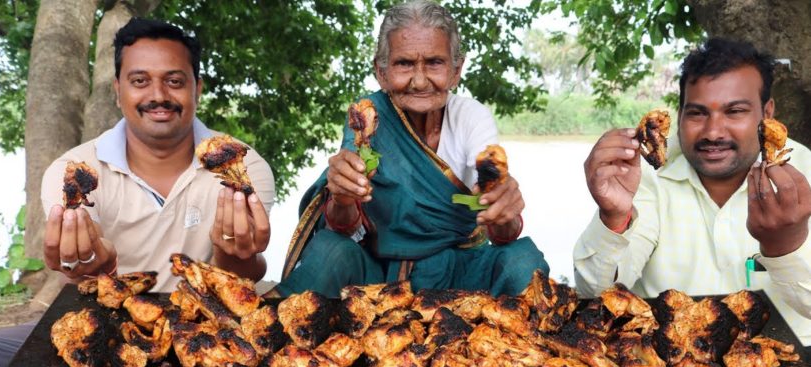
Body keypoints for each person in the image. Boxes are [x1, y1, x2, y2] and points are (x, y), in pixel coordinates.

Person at [276, 0, 548, 298]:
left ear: (456, 71)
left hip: (461, 271)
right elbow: (342, 227)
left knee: (522, 260)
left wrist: (501, 205)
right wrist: (342, 197)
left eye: (434, 63)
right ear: (381, 72)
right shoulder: (368, 118)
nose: (419, 81)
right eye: (404, 64)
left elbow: (502, 231)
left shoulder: (472, 118)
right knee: (330, 249)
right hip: (379, 276)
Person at [574, 37, 811, 343]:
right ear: (680, 113)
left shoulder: (805, 171)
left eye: (734, 111)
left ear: (767, 114)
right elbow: (595, 296)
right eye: (697, 113)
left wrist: (784, 246)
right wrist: (613, 218)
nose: (713, 132)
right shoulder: (644, 172)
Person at [41, 18, 275, 292]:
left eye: (174, 81)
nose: (158, 95)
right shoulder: (74, 172)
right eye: (140, 81)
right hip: (111, 320)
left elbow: (241, 278)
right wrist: (96, 266)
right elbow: (80, 278)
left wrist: (238, 254)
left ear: (196, 90)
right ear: (118, 91)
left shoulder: (241, 165)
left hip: (212, 320)